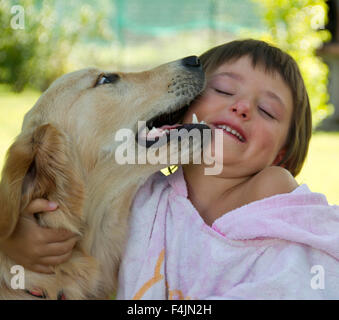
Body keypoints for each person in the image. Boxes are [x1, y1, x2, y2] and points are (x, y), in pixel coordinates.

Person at [1, 39, 339, 299]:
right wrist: (13, 241)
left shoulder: (272, 190)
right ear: (180, 116)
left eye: (267, 110)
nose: (242, 107)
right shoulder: (143, 196)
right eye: (221, 90)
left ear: (282, 156)